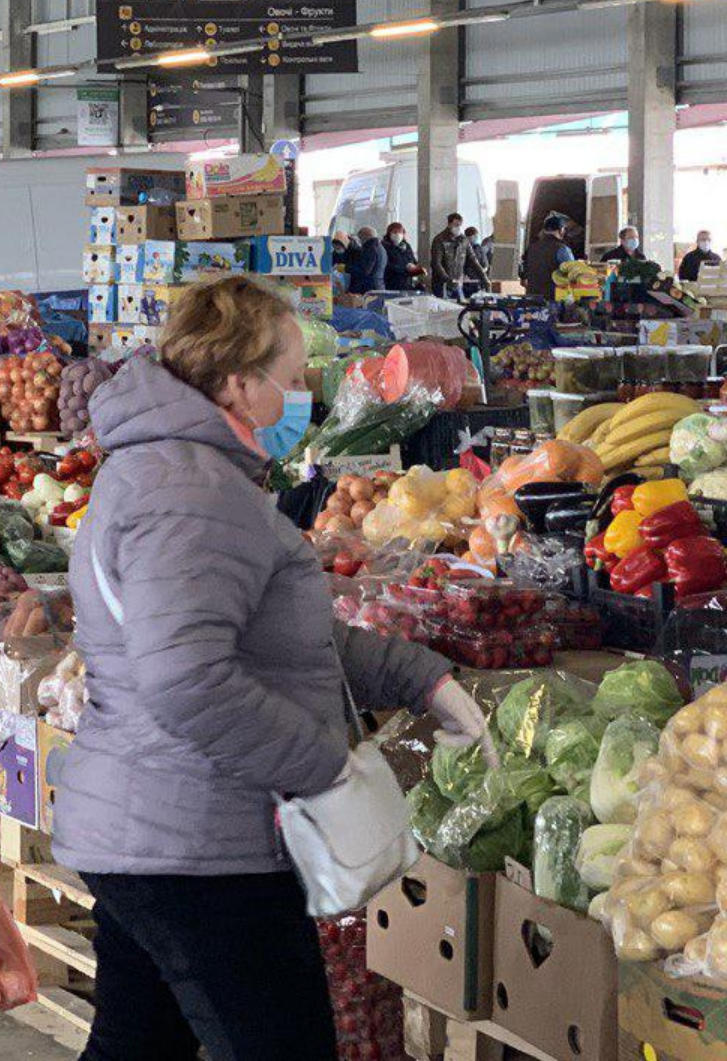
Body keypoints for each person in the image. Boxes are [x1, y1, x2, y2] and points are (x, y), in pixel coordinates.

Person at [56, 276, 489, 1061]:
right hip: (200, 844)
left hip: (157, 824)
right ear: (237, 383)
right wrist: (327, 769)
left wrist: (418, 677)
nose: (301, 397)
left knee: (138, 1046)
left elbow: (275, 637)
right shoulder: (189, 491)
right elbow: (188, 679)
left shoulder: (180, 471)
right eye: (290, 378)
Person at [522, 213, 575, 302]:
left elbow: (524, 273)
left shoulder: (531, 248)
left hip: (532, 298)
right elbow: (573, 273)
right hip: (553, 300)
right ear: (561, 230)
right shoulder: (562, 249)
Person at [427, 213, 471, 297]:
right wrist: (447, 279)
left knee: (460, 304)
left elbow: (472, 258)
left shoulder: (463, 239)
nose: (458, 227)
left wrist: (483, 277)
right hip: (442, 284)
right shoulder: (439, 240)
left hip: (457, 283)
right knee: (444, 304)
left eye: (460, 225)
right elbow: (436, 263)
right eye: (456, 225)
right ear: (449, 224)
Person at [344, 226, 386, 295]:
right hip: (378, 286)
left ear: (365, 236)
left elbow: (364, 271)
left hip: (368, 289)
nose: (359, 240)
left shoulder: (370, 248)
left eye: (360, 237)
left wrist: (345, 268)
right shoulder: (381, 248)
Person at [381, 222, 418, 292]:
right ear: (389, 233)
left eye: (400, 232)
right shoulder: (385, 247)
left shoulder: (407, 246)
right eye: (395, 232)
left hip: (407, 284)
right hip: (391, 283)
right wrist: (405, 269)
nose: (398, 234)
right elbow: (386, 265)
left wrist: (414, 267)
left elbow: (413, 260)